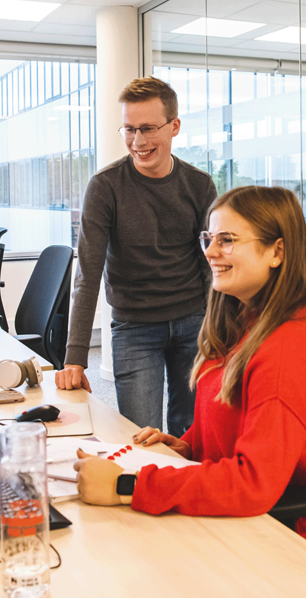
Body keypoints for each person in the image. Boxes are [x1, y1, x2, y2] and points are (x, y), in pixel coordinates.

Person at [73, 186, 306, 559]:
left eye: (228, 240)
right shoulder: (243, 319)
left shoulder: (288, 348)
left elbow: (255, 484)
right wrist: (189, 445)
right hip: (237, 516)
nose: (210, 251)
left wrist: (128, 485)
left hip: (284, 540)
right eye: (210, 238)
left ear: (277, 252)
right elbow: (233, 416)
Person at [56, 76, 217, 438]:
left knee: (192, 435)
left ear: (174, 126)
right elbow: (87, 274)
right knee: (142, 436)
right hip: (135, 327)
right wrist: (75, 357)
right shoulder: (106, 186)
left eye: (148, 128)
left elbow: (213, 263)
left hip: (194, 321)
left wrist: (220, 327)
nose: (138, 141)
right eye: (129, 129)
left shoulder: (199, 185)